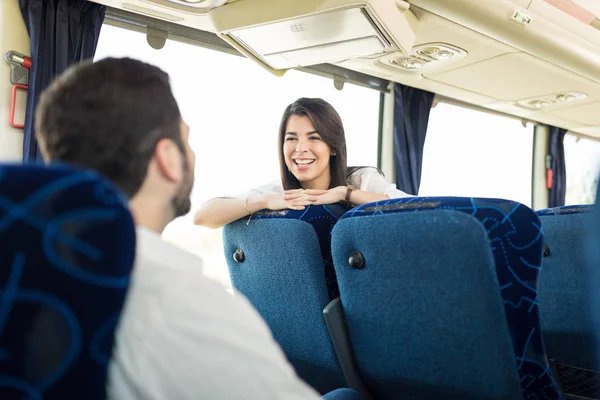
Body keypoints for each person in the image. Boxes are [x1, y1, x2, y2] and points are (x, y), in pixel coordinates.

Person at [34, 57, 337, 400]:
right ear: (167, 158)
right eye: (186, 140)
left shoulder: (30, 274)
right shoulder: (188, 311)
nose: (192, 153)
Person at [193, 97, 411, 229]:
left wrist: (344, 194)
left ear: (333, 146)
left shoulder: (361, 180)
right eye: (291, 138)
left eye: (314, 137)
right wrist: (264, 202)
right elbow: (203, 217)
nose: (300, 148)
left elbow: (417, 209)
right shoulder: (279, 192)